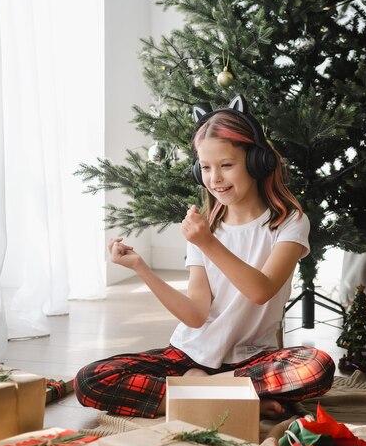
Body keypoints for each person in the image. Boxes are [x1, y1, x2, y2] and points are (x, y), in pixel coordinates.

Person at [74, 94, 335, 422]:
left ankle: (200, 393)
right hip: (189, 356)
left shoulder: (289, 222)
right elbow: (196, 315)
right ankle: (223, 396)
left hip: (251, 361)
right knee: (90, 379)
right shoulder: (205, 227)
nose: (215, 179)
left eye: (227, 165)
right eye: (207, 168)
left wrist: (208, 243)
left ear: (257, 162)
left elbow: (261, 290)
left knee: (316, 366)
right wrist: (141, 268)